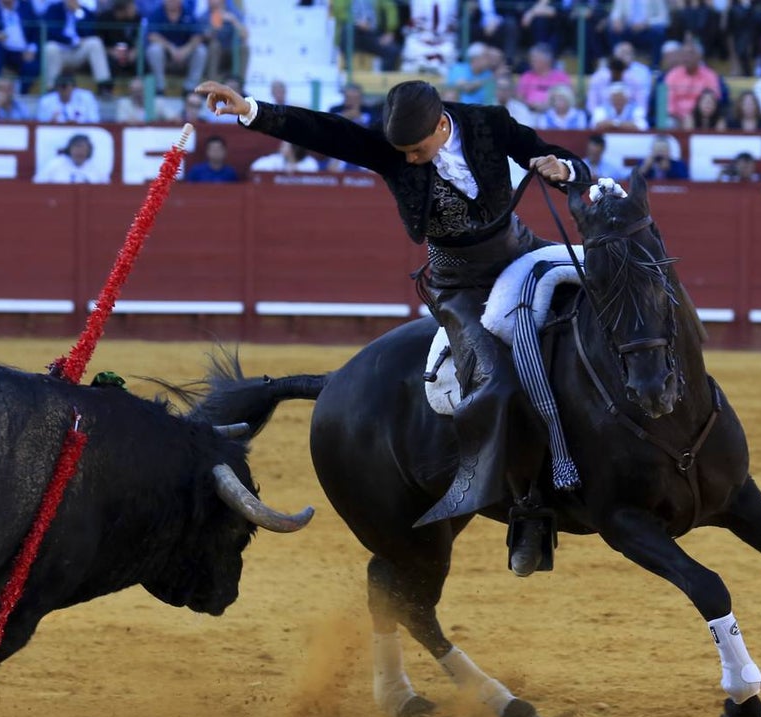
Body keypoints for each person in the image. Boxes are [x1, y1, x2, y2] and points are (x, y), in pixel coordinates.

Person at [195, 78, 591, 576]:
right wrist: (251, 109)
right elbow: (326, 132)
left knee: (608, 306)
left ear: (442, 126)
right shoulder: (392, 149)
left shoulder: (488, 123)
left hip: (520, 249)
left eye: (417, 150)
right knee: (495, 383)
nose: (407, 159)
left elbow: (545, 153)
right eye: (401, 151)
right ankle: (529, 512)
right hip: (459, 283)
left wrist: (564, 167)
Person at [42, 0, 113, 94]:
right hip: (61, 50)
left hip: (78, 52)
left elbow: (89, 32)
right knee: (50, 47)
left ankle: (104, 86)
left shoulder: (84, 11)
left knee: (95, 42)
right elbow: (51, 32)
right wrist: (72, 41)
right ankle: (51, 88)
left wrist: (78, 12)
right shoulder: (54, 9)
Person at [146, 0, 208, 95]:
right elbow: (152, 36)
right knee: (154, 49)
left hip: (185, 55)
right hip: (166, 54)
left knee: (201, 50)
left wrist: (185, 50)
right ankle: (160, 87)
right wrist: (171, 48)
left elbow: (198, 36)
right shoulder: (157, 13)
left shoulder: (188, 12)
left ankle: (190, 88)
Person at [34, 133, 109, 183]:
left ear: (89, 151)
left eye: (84, 149)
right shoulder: (56, 165)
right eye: (77, 148)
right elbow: (37, 183)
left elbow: (107, 191)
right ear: (69, 149)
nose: (80, 152)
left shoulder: (96, 169)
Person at [36, 73, 100, 123]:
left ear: (74, 87)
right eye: (61, 86)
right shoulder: (46, 101)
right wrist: (51, 122)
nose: (64, 90)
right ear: (56, 88)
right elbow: (40, 123)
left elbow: (94, 120)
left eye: (66, 86)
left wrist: (77, 124)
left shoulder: (86, 97)